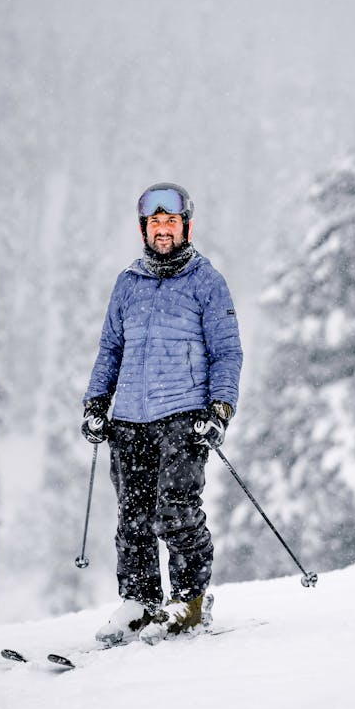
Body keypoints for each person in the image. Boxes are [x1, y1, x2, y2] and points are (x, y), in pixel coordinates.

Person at [82, 182, 243, 645]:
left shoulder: (206, 282)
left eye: (171, 221)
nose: (163, 230)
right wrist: (96, 402)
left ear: (185, 226)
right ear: (144, 229)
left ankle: (190, 602)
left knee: (175, 509)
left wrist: (220, 408)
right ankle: (140, 601)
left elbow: (227, 351)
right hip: (130, 417)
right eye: (155, 223)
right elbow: (111, 348)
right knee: (133, 517)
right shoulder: (128, 283)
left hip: (184, 414)